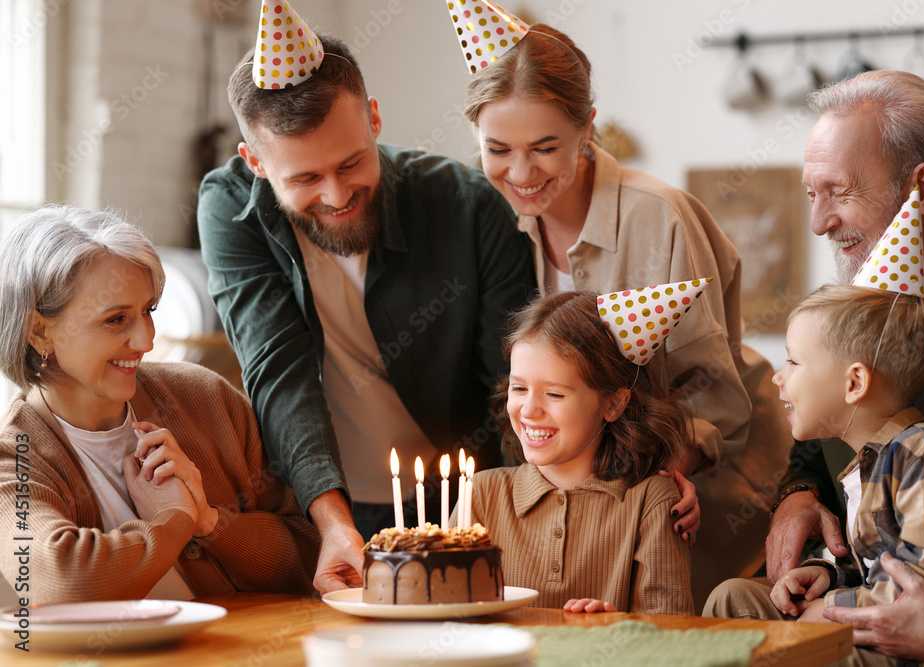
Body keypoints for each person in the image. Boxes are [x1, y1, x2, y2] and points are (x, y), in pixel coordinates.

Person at [197, 12, 536, 593]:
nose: (336, 195)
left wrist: (519, 512)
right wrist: (332, 523)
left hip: (462, 503)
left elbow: (508, 385)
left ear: (373, 118)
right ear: (256, 163)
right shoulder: (230, 209)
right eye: (305, 178)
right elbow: (277, 371)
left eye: (352, 163)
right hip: (321, 508)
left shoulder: (467, 204)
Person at [460, 19, 792, 604]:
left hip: (702, 489)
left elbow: (715, 393)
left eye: (545, 148)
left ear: (587, 128)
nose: (520, 173)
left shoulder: (660, 217)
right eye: (497, 150)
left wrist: (670, 467)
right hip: (600, 504)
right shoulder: (501, 225)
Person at [765, 70, 924, 663]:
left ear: (922, 189)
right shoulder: (839, 324)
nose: (819, 223)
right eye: (810, 193)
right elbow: (817, 456)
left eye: (839, 192)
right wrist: (797, 495)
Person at [0, 206, 319, 604]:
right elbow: (63, 584)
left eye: (147, 311)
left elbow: (312, 555)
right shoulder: (15, 456)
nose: (146, 341)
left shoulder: (207, 398)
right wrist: (175, 520)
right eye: (116, 319)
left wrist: (210, 521)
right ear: (39, 332)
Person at [705, 284, 924, 665]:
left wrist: (831, 608)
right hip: (872, 616)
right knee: (732, 597)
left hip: (913, 648)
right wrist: (830, 577)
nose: (779, 378)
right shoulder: (871, 460)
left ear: (854, 383)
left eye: (792, 362)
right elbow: (881, 567)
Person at [471, 290, 694, 614]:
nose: (529, 410)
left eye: (554, 394)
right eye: (518, 388)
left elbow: (673, 638)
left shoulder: (653, 502)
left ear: (614, 403)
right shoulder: (481, 495)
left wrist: (618, 629)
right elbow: (447, 621)